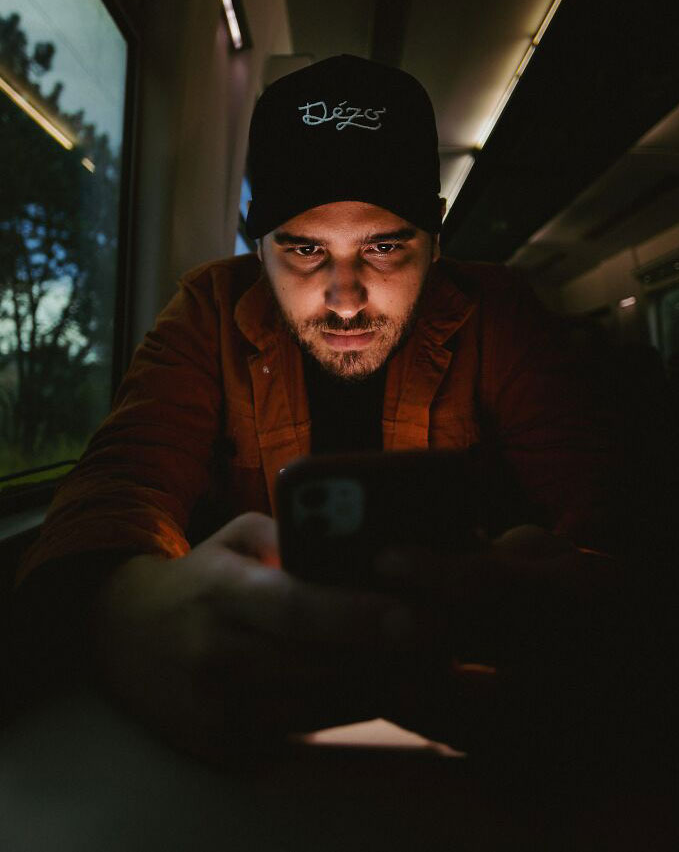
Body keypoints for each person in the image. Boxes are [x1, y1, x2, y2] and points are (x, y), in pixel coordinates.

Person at [12, 55, 640, 775]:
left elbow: (613, 515)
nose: (345, 298)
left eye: (385, 246)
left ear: (438, 234)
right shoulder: (208, 311)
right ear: (256, 240)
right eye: (305, 248)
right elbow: (122, 482)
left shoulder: (502, 317)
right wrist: (127, 612)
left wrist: (571, 602)